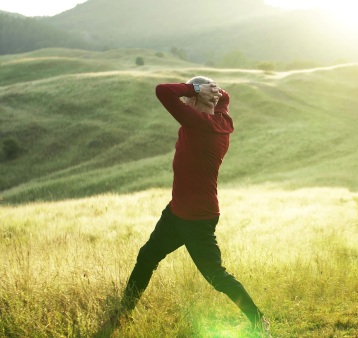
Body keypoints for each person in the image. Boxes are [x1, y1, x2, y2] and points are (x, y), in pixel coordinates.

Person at [98, 76, 270, 337]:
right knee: (147, 257)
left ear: (193, 98)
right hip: (178, 211)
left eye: (189, 96)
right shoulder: (222, 119)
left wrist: (198, 88)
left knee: (215, 275)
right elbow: (225, 98)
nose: (185, 99)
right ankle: (124, 314)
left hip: (196, 218)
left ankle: (258, 321)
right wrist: (212, 91)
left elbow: (163, 91)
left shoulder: (198, 123)